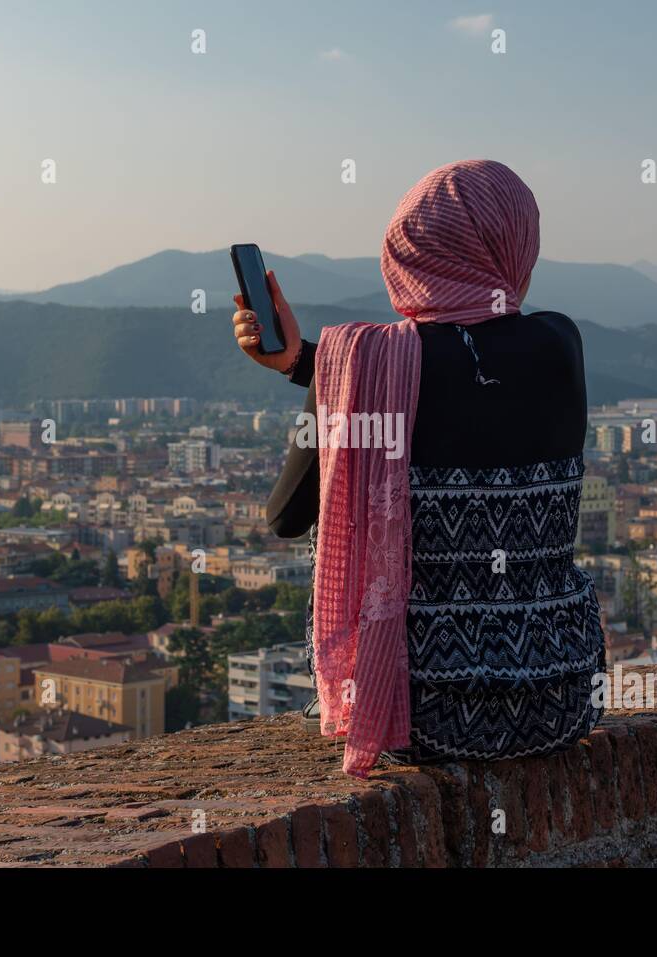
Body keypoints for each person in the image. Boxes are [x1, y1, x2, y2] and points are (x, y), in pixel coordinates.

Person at [231, 159, 604, 777]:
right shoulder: (560, 344)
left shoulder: (361, 365)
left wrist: (320, 374)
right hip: (559, 698)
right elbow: (467, 378)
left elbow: (286, 517)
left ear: (402, 252)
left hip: (414, 714)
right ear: (516, 245)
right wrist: (309, 364)